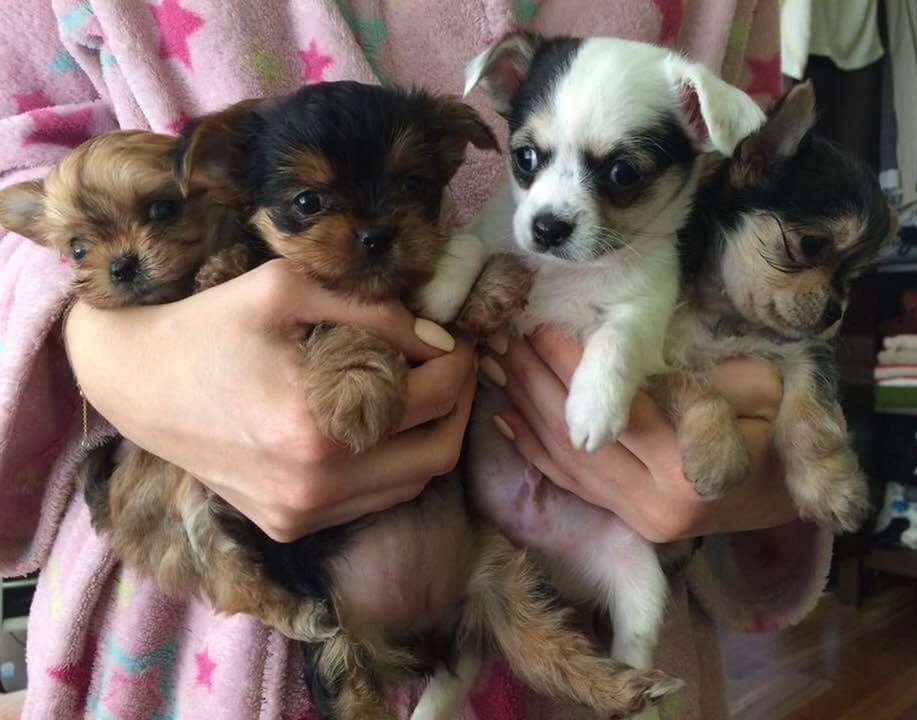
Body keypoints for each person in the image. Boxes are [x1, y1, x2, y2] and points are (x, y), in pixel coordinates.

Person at [0, 1, 830, 718]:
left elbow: (760, 205)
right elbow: (21, 184)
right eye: (310, 204)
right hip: (196, 635)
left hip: (595, 566)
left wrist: (772, 441)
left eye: (411, 192)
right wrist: (116, 353)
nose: (370, 229)